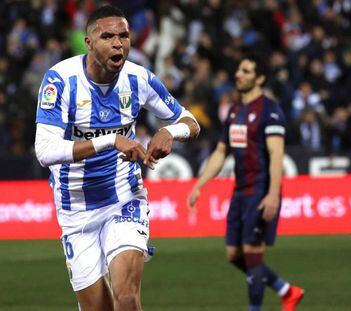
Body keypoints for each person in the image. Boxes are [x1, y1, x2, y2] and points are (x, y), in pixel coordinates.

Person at [34, 5, 199, 311]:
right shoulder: (61, 81)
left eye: (123, 35)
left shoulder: (139, 78)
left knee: (126, 297)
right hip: (75, 209)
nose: (117, 43)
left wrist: (169, 133)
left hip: (124, 197)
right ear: (88, 42)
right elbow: (45, 151)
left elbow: (191, 122)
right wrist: (110, 140)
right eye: (107, 36)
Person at [189, 55, 303, 311]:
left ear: (259, 78)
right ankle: (287, 290)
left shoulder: (270, 111)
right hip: (240, 191)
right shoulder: (234, 111)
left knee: (252, 254)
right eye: (239, 70)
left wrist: (273, 194)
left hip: (261, 191)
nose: (238, 74)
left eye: (246, 71)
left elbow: (276, 156)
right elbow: (220, 152)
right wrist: (200, 185)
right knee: (234, 255)